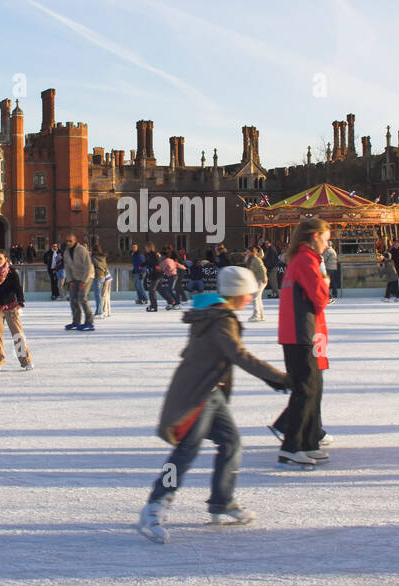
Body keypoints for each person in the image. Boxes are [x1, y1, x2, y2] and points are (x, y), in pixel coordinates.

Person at [137, 266, 289, 544]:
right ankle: (156, 504)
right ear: (237, 293)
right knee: (186, 451)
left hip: (212, 393)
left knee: (231, 444)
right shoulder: (221, 320)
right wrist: (279, 378)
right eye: (248, 293)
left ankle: (222, 500)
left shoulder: (215, 314)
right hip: (198, 395)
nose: (250, 298)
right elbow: (239, 355)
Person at [270, 217, 332, 470]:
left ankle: (308, 442)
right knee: (306, 389)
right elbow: (319, 299)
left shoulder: (299, 260)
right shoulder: (306, 260)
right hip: (301, 333)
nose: (328, 245)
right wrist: (326, 284)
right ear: (314, 236)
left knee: (312, 388)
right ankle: (291, 446)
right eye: (326, 239)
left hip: (301, 332)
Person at [0, 250, 33, 371]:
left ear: (6, 259)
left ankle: (25, 360)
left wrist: (21, 301)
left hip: (11, 307)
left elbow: (18, 288)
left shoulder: (12, 273)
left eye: (0, 258)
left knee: (18, 335)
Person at [63, 233, 95, 331]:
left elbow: (88, 267)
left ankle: (89, 322)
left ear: (75, 241)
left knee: (82, 298)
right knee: (73, 299)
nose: (68, 243)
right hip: (75, 278)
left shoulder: (82, 250)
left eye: (70, 241)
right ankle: (76, 321)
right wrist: (70, 281)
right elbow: (67, 268)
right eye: (67, 241)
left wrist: (84, 282)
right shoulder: (66, 252)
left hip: (87, 276)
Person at [91, 244, 112, 320]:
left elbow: (91, 266)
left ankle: (99, 312)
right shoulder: (103, 257)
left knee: (98, 295)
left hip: (97, 276)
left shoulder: (93, 258)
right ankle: (100, 311)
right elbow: (105, 267)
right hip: (103, 276)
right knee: (100, 295)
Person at [248, 245, 268, 320]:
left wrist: (264, 279)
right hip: (258, 280)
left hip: (261, 280)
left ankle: (256, 315)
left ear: (252, 252)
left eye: (248, 252)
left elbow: (263, 269)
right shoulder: (252, 259)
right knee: (258, 298)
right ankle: (260, 315)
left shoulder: (256, 259)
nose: (247, 253)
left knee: (255, 297)